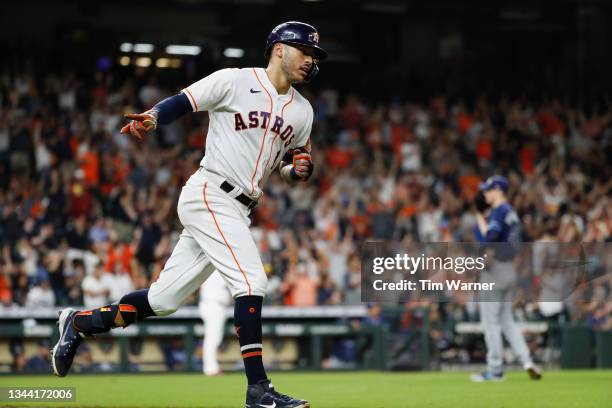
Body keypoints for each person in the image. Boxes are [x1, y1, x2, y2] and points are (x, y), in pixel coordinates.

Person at [51, 21, 325, 408]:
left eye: (315, 55)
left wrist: (298, 170)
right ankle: (258, 389)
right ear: (279, 49)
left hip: (240, 206)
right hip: (210, 192)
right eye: (305, 51)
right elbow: (185, 100)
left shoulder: (303, 111)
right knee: (251, 280)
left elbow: (291, 162)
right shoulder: (234, 81)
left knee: (163, 300)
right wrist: (153, 117)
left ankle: (79, 323)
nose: (311, 60)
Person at [470, 176, 542, 382]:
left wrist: (484, 253)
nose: (485, 193)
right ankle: (527, 361)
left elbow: (490, 239)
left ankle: (495, 370)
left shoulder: (499, 211)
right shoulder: (511, 213)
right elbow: (526, 240)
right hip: (510, 269)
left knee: (490, 323)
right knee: (507, 321)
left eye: (488, 189)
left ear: (499, 190)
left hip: (495, 270)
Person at [198, 271, 232, 376]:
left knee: (213, 338)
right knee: (212, 339)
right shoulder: (215, 270)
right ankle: (210, 368)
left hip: (213, 305)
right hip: (213, 306)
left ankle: (211, 366)